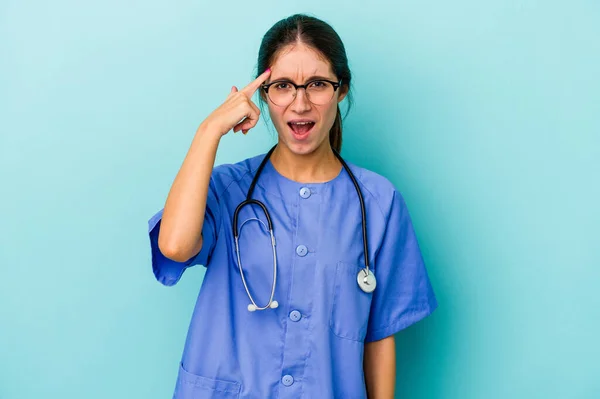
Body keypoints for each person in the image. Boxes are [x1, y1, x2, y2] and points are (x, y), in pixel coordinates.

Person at [147, 13, 438, 399]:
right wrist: (209, 132)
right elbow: (176, 246)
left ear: (341, 90)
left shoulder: (378, 203)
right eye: (283, 85)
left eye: (317, 84)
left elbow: (379, 335)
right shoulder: (226, 189)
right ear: (264, 95)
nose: (300, 103)